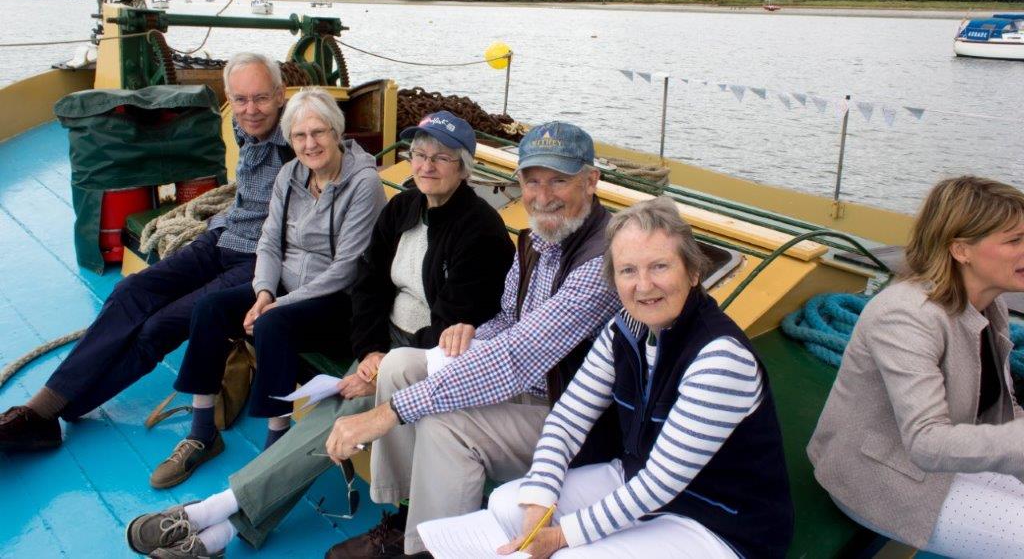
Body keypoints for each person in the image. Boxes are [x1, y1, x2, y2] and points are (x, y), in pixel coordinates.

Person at [125, 111, 515, 558]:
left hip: (430, 360)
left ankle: (206, 514)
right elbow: (369, 284)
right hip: (386, 344)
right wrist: (370, 349)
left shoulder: (479, 230)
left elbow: (453, 325)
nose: (426, 165)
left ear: (463, 169)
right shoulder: (406, 207)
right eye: (419, 154)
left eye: (441, 158)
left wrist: (381, 365)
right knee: (330, 416)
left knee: (336, 420)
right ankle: (217, 536)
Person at [324, 120, 623, 558]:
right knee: (399, 364)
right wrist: (475, 333)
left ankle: (428, 548)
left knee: (446, 427)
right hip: (528, 387)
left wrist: (387, 414)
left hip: (571, 413)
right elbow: (509, 319)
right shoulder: (539, 239)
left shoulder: (602, 261)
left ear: (591, 180)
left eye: (559, 180)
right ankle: (405, 513)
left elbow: (518, 357)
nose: (542, 196)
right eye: (532, 181)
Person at [0, 52, 293, 452]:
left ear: (280, 95)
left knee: (161, 326)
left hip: (263, 260)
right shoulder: (243, 126)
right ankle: (41, 411)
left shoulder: (297, 138)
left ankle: (52, 413)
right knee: (130, 291)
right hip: (223, 238)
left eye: (260, 98)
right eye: (240, 99)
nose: (250, 109)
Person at [484, 197, 794, 559]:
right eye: (628, 270)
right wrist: (540, 498)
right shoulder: (625, 330)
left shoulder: (719, 358)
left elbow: (660, 481)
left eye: (659, 266)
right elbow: (567, 420)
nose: (643, 286)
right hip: (637, 478)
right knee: (508, 504)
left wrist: (560, 536)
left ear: (693, 272)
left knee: (571, 554)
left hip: (717, 521)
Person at [147, 87, 387, 488]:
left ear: (336, 132)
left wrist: (279, 306)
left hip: (337, 302)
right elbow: (270, 242)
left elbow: (347, 268)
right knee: (210, 309)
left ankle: (274, 450)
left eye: (319, 132)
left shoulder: (363, 185)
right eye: (299, 135)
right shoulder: (290, 175)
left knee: (275, 325)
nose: (310, 144)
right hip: (284, 291)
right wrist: (263, 293)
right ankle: (202, 433)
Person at [807, 176, 1024, 556]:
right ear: (961, 250)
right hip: (883, 479)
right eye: (1015, 240)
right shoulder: (906, 315)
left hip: (951, 460)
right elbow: (927, 443)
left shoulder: (990, 306)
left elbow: (1001, 412)